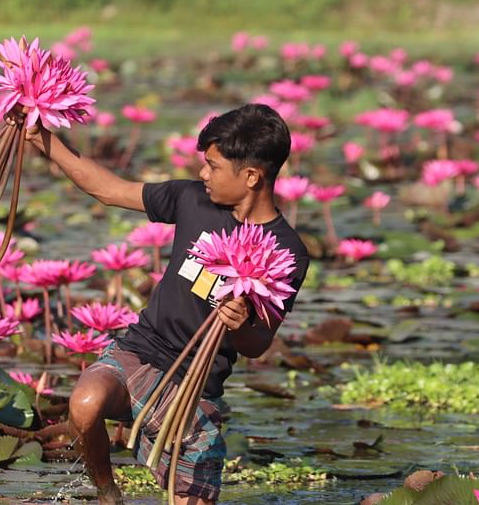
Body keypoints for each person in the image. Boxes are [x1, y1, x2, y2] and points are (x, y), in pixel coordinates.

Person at [19, 103, 310, 504]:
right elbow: (107, 189)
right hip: (139, 353)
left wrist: (240, 323)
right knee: (85, 403)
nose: (203, 174)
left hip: (194, 390)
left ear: (251, 176)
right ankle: (108, 495)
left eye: (213, 166)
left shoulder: (287, 250)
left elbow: (257, 345)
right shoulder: (191, 200)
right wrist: (42, 139)